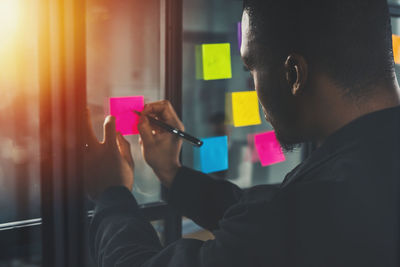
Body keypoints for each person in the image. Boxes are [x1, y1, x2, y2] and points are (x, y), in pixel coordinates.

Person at [85, 0, 400, 266]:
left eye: (252, 68)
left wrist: (111, 193)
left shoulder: (309, 209)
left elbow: (278, 223)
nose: (253, 86)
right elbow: (271, 222)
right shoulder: (367, 169)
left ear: (293, 74)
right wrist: (173, 174)